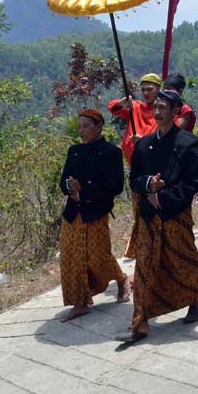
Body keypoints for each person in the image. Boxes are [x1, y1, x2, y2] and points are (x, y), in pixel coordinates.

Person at [116, 90, 198, 347]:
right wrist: (148, 185)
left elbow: (193, 182)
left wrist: (164, 197)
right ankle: (140, 322)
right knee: (144, 266)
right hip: (148, 216)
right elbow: (134, 179)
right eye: (155, 106)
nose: (157, 110)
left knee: (182, 260)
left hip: (175, 214)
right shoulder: (143, 144)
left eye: (163, 106)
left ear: (176, 111)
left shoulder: (189, 142)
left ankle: (193, 302)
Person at [57, 108, 131, 322]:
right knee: (73, 256)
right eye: (79, 127)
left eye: (86, 126)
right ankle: (80, 302)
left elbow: (115, 186)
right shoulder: (74, 151)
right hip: (73, 213)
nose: (81, 131)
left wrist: (85, 193)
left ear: (99, 127)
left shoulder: (111, 152)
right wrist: (69, 186)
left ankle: (120, 278)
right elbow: (63, 181)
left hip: (95, 211)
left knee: (99, 256)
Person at [108, 73, 161, 163]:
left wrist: (143, 142)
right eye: (143, 90)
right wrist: (121, 103)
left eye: (149, 89)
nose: (145, 93)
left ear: (159, 90)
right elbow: (112, 107)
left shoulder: (163, 111)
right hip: (133, 157)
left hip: (153, 157)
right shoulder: (135, 106)